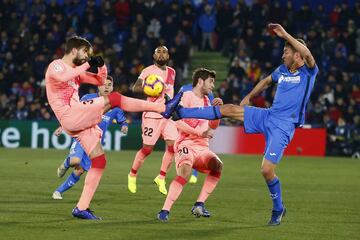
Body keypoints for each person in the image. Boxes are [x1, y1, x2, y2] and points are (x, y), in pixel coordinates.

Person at [171, 23, 318, 225]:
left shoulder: (309, 72)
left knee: (266, 170)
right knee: (230, 109)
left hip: (284, 125)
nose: (283, 55)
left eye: (286, 52)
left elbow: (308, 54)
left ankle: (278, 208)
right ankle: (180, 111)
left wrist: (285, 34)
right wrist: (249, 96)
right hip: (269, 116)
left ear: (297, 55)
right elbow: (266, 81)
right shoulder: (282, 70)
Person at [45, 36, 180, 220]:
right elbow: (63, 77)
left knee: (99, 160)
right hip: (70, 115)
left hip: (77, 120)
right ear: (74, 50)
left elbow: (100, 80)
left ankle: (81, 207)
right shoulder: (57, 66)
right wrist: (86, 65)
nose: (87, 57)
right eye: (86, 52)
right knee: (115, 99)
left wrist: (100, 66)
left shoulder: (77, 70)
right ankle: (162, 108)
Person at [157, 68, 223, 222]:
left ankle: (199, 204)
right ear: (200, 81)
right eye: (210, 82)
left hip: (202, 148)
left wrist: (218, 111)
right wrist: (199, 133)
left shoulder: (209, 101)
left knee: (218, 166)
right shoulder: (185, 96)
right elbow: (177, 121)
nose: (213, 86)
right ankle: (164, 211)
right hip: (185, 144)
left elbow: (213, 127)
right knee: (185, 173)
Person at [52, 76, 128, 200]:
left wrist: (124, 126)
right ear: (98, 86)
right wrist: (62, 126)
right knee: (75, 161)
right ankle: (65, 164)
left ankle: (58, 191)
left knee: (80, 170)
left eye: (109, 84)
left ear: (113, 87)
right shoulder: (87, 98)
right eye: (104, 84)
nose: (107, 87)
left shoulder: (116, 107)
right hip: (82, 135)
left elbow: (122, 121)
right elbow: (73, 114)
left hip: (95, 143)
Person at [128, 46, 178, 195]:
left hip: (167, 115)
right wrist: (151, 88)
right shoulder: (148, 70)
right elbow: (135, 88)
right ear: (154, 55)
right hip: (151, 114)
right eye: (159, 52)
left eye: (164, 52)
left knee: (173, 146)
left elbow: (170, 92)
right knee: (147, 149)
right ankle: (132, 174)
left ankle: (161, 177)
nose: (161, 55)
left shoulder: (172, 72)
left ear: (168, 55)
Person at [179, 83, 215, 184]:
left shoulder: (207, 91)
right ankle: (184, 170)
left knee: (199, 148)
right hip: (187, 122)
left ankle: (195, 173)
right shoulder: (184, 88)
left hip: (201, 121)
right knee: (183, 147)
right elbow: (178, 103)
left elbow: (211, 107)